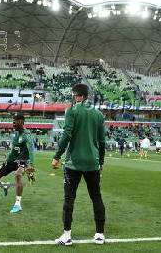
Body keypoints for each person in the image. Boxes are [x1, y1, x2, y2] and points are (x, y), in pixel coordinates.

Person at [52, 83, 106, 246]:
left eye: (73, 95)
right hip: (92, 162)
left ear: (76, 95)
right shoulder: (98, 114)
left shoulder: (71, 111)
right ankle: (99, 235)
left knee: (69, 198)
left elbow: (67, 135)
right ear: (87, 96)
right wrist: (101, 161)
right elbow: (102, 141)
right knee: (96, 197)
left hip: (73, 163)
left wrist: (56, 156)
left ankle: (67, 235)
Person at [0, 114, 35, 213]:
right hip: (10, 160)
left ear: (21, 122)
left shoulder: (27, 135)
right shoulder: (17, 132)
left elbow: (31, 149)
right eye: (13, 120)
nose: (13, 122)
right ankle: (5, 185)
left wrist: (31, 164)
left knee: (18, 175)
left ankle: (18, 204)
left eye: (15, 120)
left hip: (22, 161)